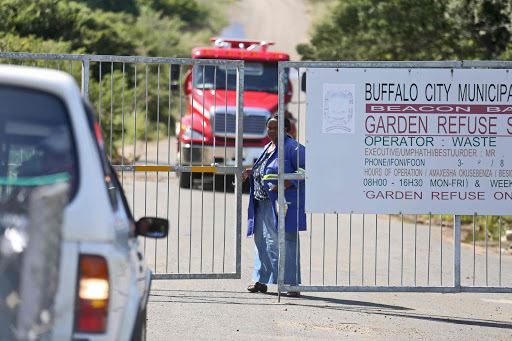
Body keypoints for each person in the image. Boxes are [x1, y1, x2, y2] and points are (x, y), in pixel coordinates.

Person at [242, 114, 306, 297]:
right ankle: (261, 280)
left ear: (286, 129)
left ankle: (291, 284)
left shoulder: (293, 148)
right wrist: (251, 172)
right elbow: (266, 169)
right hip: (261, 203)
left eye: (275, 128)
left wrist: (286, 182)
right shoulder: (267, 148)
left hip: (281, 204)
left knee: (284, 243)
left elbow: (305, 170)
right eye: (269, 127)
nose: (271, 131)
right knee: (262, 243)